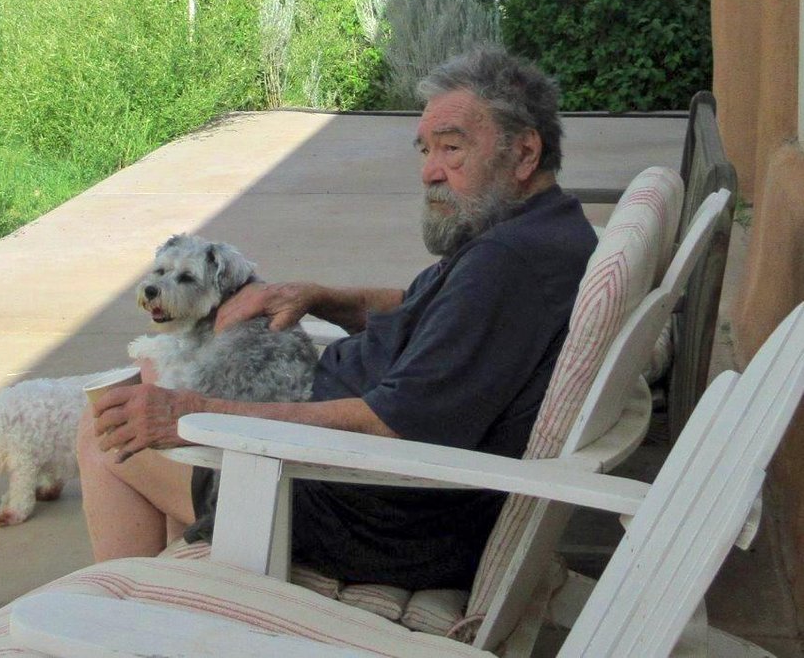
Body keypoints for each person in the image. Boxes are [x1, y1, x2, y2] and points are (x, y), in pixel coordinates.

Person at [78, 45, 597, 589]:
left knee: (104, 431)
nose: (430, 172)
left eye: (452, 148)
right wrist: (319, 297)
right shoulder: (539, 229)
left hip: (359, 512)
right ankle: (169, 593)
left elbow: (388, 424)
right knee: (145, 397)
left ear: (524, 153)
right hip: (356, 482)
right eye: (426, 150)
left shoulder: (505, 265)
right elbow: (427, 312)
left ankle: (121, 605)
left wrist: (194, 411)